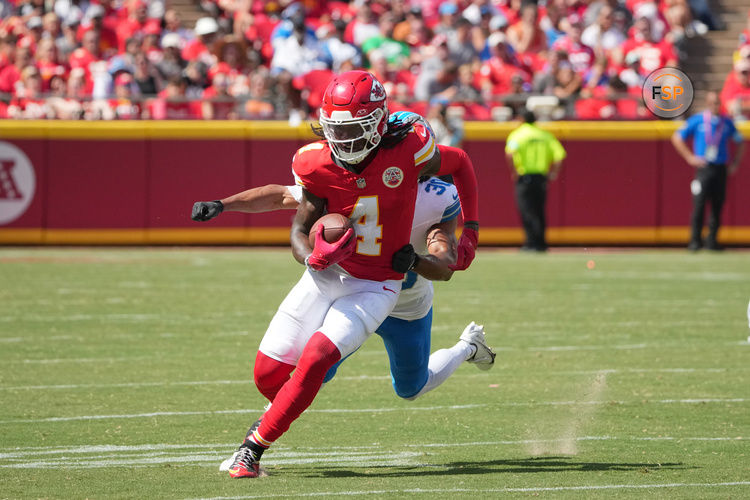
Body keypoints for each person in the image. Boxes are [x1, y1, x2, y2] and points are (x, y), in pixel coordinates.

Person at [198, 71, 481, 479]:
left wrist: (445, 245)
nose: (345, 142)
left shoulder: (423, 170)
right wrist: (310, 255)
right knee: (268, 375)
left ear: (380, 127)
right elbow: (293, 215)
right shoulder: (318, 163)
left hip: (386, 285)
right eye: (338, 131)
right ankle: (272, 417)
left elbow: (459, 172)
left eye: (355, 132)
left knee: (350, 369)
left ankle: (252, 449)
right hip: (332, 275)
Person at [671, 91, 745, 251]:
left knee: (718, 204)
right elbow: (677, 137)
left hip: (720, 168)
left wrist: (735, 163)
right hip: (703, 168)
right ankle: (695, 240)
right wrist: (690, 157)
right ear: (707, 104)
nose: (715, 106)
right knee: (699, 204)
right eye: (712, 103)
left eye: (717, 103)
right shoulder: (698, 120)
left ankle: (712, 241)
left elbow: (740, 141)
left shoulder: (726, 122)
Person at [505, 108, 566, 252]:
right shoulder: (545, 135)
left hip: (524, 177)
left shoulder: (518, 134)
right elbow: (559, 155)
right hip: (541, 178)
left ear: (521, 119)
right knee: (539, 211)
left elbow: (509, 153)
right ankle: (541, 243)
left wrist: (514, 171)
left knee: (526, 210)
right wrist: (553, 173)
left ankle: (530, 243)